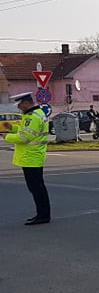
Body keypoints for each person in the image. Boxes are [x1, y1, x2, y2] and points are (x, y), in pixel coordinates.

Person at [4, 92, 50, 225]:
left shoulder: (33, 117)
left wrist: (6, 137)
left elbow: (24, 137)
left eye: (20, 104)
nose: (19, 107)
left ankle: (43, 215)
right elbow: (25, 131)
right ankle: (42, 214)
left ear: (26, 103)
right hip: (33, 156)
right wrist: (12, 128)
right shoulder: (35, 115)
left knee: (36, 188)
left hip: (31, 156)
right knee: (37, 187)